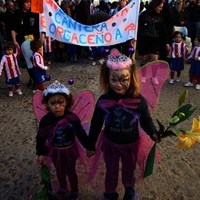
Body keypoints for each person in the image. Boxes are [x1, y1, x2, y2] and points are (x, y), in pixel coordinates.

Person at [86, 49, 160, 200]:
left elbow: (146, 120)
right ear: (107, 79)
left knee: (129, 170)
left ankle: (130, 192)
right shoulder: (103, 101)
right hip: (110, 145)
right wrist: (90, 144)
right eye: (114, 80)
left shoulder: (139, 100)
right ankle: (110, 193)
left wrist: (153, 132)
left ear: (131, 78)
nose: (119, 85)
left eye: (124, 79)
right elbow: (95, 124)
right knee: (111, 171)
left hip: (131, 145)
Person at [36, 80, 89, 200]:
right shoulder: (46, 120)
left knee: (71, 171)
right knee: (59, 171)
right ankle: (63, 188)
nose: (57, 106)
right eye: (53, 103)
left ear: (67, 102)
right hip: (55, 151)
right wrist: (41, 153)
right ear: (47, 104)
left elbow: (80, 133)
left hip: (70, 150)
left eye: (61, 102)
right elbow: (41, 137)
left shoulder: (72, 118)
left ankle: (75, 190)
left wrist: (89, 146)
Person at [137, 0, 169, 84]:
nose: (161, 9)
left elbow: (163, 31)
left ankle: (153, 76)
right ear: (154, 6)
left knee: (155, 59)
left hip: (155, 40)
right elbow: (138, 28)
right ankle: (143, 76)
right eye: (159, 7)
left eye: (162, 7)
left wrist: (166, 42)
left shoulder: (161, 17)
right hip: (144, 39)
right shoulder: (143, 15)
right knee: (144, 59)